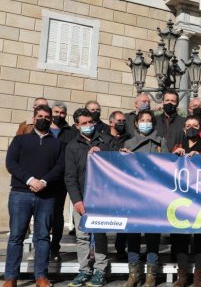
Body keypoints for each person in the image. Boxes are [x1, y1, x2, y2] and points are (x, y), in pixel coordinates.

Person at [3, 104, 64, 287]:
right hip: (20, 194)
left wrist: (44, 182)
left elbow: (60, 167)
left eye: (47, 117)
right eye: (40, 116)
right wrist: (30, 180)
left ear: (51, 119)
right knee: (16, 236)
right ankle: (11, 277)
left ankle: (41, 277)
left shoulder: (58, 144)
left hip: (46, 196)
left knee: (43, 236)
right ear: (34, 117)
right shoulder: (20, 140)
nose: (43, 119)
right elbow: (11, 163)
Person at [65, 108, 118, 287]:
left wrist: (102, 152)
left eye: (90, 122)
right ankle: (84, 270)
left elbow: (116, 164)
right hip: (82, 198)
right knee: (82, 236)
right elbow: (70, 177)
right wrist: (76, 200)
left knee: (100, 234)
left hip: (102, 198)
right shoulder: (72, 146)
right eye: (84, 123)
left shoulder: (106, 141)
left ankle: (100, 270)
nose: (88, 126)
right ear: (77, 125)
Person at [122, 110, 169, 287]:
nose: (146, 123)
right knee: (132, 234)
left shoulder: (160, 143)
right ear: (136, 123)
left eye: (149, 120)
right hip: (133, 196)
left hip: (153, 196)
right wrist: (123, 157)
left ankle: (151, 275)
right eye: (142, 120)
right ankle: (133, 274)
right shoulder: (128, 143)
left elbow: (167, 167)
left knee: (152, 236)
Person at [170, 116, 201, 287]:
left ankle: (198, 276)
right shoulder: (177, 146)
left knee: (200, 238)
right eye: (188, 125)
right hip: (180, 198)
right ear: (183, 129)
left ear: (200, 128)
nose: (191, 128)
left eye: (195, 125)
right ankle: (182, 276)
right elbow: (167, 166)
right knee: (181, 237)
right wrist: (174, 157)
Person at [48, 101, 75, 262]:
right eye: (56, 112)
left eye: (62, 113)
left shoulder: (70, 132)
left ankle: (54, 247)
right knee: (43, 215)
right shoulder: (44, 130)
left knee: (57, 215)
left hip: (61, 180)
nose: (59, 115)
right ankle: (42, 246)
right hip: (44, 179)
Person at [107, 110, 130, 261]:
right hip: (106, 184)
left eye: (124, 121)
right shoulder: (102, 139)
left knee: (124, 218)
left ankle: (120, 249)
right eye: (119, 120)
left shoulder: (129, 139)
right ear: (111, 122)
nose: (122, 123)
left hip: (123, 186)